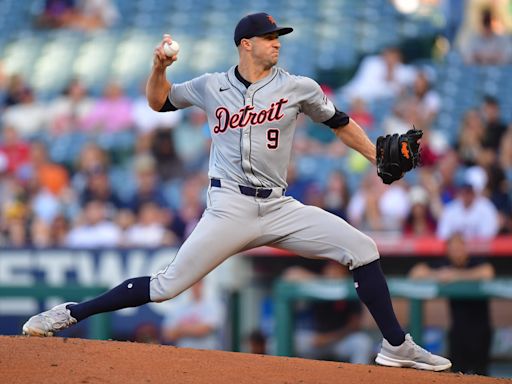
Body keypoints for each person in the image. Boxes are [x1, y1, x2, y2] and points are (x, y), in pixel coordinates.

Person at [22, 13, 451, 371]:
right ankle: (72, 312)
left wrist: (376, 153)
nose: (277, 44)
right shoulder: (211, 85)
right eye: (269, 38)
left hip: (279, 205)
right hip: (229, 206)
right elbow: (158, 103)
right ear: (245, 44)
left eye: (278, 37)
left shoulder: (297, 86)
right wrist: (158, 68)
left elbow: (340, 122)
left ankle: (396, 345)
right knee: (167, 285)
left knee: (362, 247)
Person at [408, 233, 495, 375]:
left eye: (459, 247)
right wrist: (439, 275)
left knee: (481, 373)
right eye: (453, 248)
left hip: (481, 330)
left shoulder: (475, 262)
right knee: (458, 372)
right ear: (448, 250)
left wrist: (456, 275)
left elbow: (488, 272)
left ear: (465, 248)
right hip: (458, 331)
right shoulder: (445, 264)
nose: (457, 251)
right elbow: (415, 273)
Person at [285, 262, 373, 364]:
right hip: (315, 339)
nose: (333, 274)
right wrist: (320, 280)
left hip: (340, 341)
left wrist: (328, 338)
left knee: (363, 342)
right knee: (277, 343)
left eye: (337, 271)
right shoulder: (316, 287)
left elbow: (355, 325)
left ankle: (359, 378)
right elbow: (292, 274)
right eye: (330, 270)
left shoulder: (350, 291)